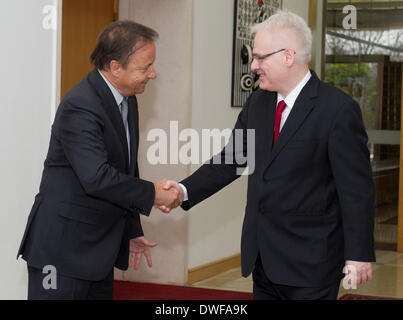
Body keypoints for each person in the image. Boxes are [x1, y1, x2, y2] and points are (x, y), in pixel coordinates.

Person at [160, 11, 375, 300]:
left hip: (311, 263)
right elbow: (231, 160)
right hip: (263, 259)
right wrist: (183, 190)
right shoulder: (258, 103)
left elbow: (356, 190)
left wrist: (358, 254)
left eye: (261, 57)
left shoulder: (337, 109)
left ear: (288, 56)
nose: (253, 65)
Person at [17, 21, 183, 300]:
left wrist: (131, 229)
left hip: (98, 251)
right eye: (145, 68)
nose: (152, 74)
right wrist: (153, 193)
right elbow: (97, 177)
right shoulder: (80, 105)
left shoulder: (128, 99)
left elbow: (126, 167)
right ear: (115, 67)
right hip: (62, 254)